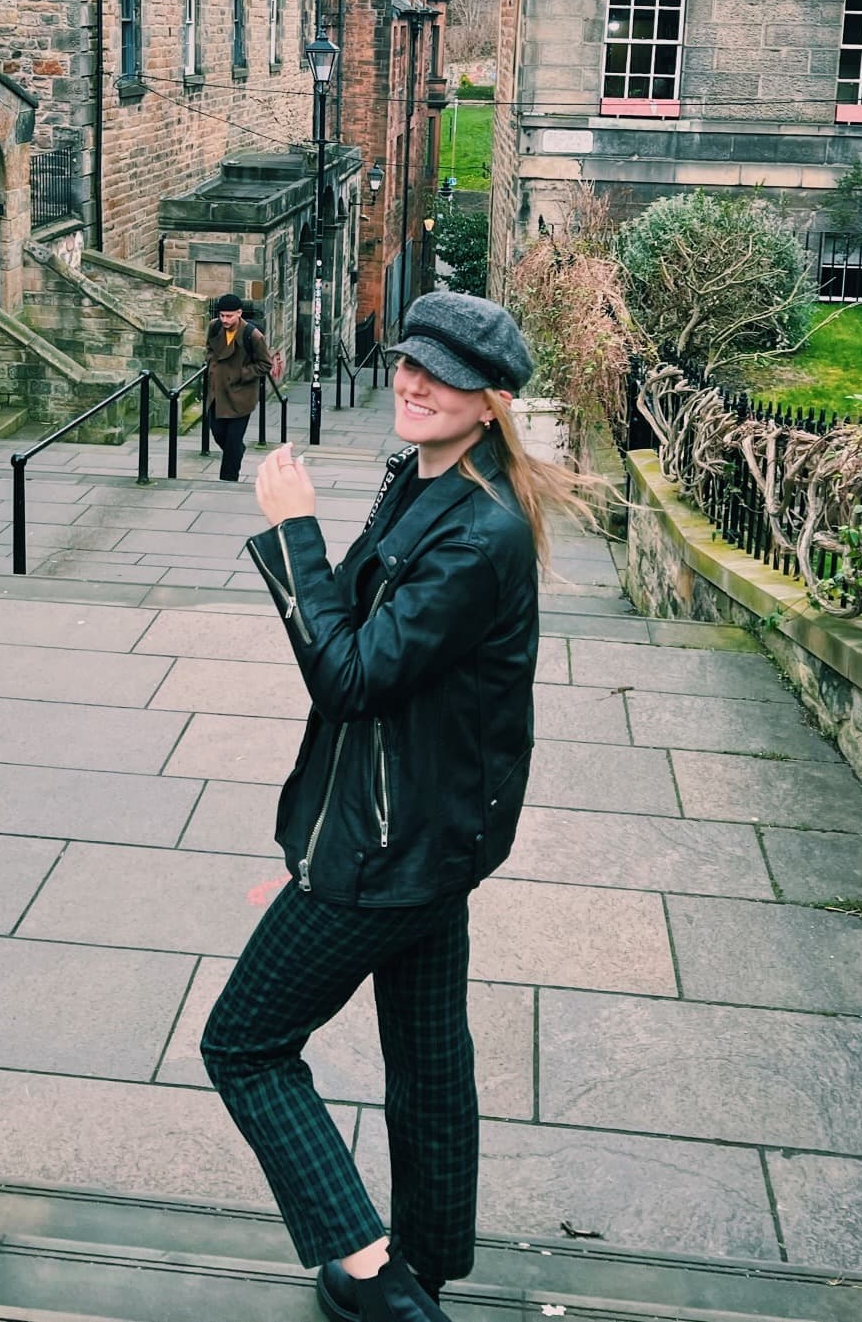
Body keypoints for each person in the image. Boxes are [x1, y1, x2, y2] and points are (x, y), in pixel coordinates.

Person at [201, 291, 595, 1322]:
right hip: (424, 834)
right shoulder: (432, 481)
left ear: (492, 398)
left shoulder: (480, 536)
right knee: (427, 1058)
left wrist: (294, 539)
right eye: (411, 363)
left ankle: (378, 1281)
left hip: (385, 852)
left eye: (447, 377)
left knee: (243, 1044)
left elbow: (353, 678)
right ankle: (430, 1255)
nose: (415, 385)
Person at [205, 293, 273, 482]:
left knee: (233, 441)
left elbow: (265, 364)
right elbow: (209, 349)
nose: (225, 320)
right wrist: (212, 364)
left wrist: (241, 374)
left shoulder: (253, 335)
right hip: (217, 393)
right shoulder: (214, 327)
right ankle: (237, 451)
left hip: (240, 396)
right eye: (222, 316)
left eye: (229, 316)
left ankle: (228, 479)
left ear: (239, 313)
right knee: (218, 433)